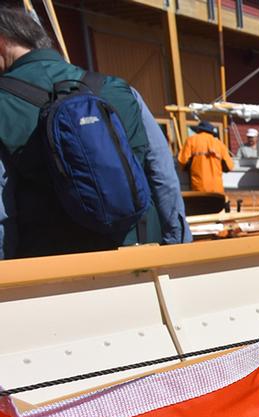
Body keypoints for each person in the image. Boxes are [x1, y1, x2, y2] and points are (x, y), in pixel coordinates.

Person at [0, 6, 188, 259]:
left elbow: (3, 212)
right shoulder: (120, 89)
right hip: (140, 252)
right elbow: (163, 176)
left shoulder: (3, 103)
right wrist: (178, 245)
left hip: (55, 268)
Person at [177, 120, 233, 194]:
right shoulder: (220, 144)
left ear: (198, 130)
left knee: (200, 205)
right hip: (217, 189)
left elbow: (182, 161)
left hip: (199, 187)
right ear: (212, 132)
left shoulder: (191, 140)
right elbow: (229, 167)